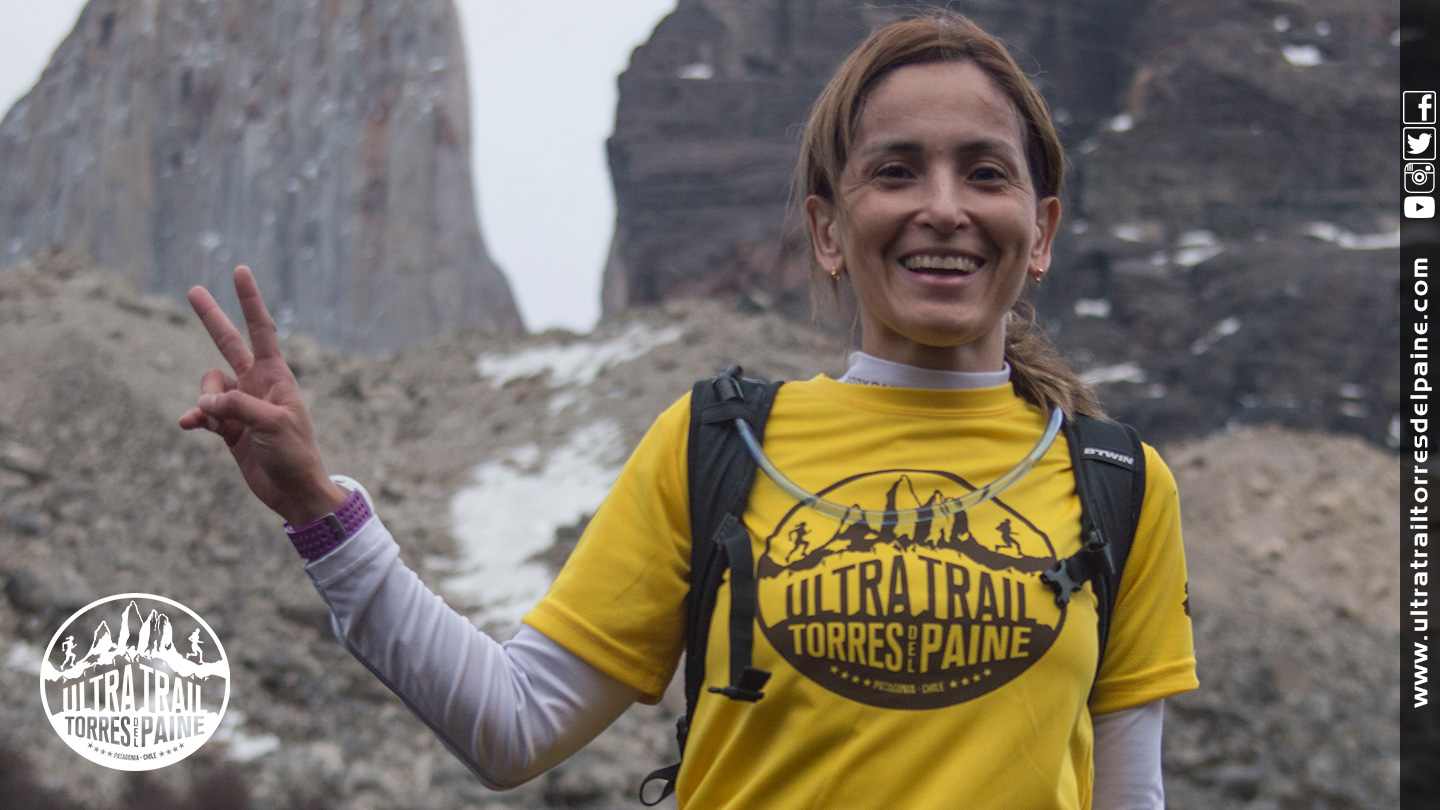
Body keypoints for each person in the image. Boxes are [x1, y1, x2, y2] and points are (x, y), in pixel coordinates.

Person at [179, 11, 1196, 809]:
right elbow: (512, 725)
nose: (942, 206)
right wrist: (319, 510)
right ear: (828, 231)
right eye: (895, 171)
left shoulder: (1119, 487)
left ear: (1042, 229)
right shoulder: (719, 445)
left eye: (984, 172)